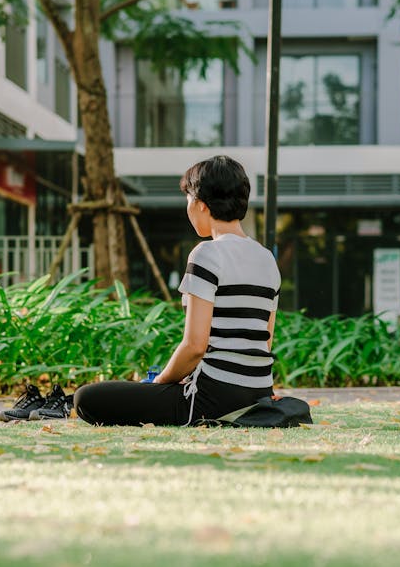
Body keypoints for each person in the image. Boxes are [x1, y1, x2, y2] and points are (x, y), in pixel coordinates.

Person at [71, 155, 281, 426]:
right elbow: (264, 342)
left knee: (87, 397)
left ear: (201, 205)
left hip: (212, 396)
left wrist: (158, 383)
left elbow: (195, 346)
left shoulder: (206, 254)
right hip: (258, 394)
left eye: (188, 201)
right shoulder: (267, 259)